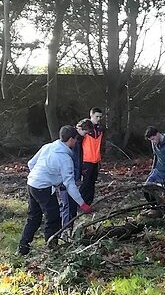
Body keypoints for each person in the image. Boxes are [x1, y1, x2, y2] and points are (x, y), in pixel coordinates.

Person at [18, 126, 93, 255]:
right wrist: (82, 204)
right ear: (70, 140)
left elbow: (31, 163)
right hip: (42, 188)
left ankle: (22, 249)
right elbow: (70, 184)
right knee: (53, 219)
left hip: (31, 184)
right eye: (75, 140)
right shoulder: (65, 159)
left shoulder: (48, 147)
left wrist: (42, 176)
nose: (76, 142)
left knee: (33, 218)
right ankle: (52, 249)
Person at [57, 118, 93, 230]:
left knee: (72, 206)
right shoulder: (71, 141)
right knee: (67, 206)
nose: (85, 136)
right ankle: (65, 230)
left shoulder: (79, 140)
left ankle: (70, 228)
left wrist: (81, 169)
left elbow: (78, 159)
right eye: (85, 133)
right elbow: (71, 160)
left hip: (73, 175)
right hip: (66, 177)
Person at [80, 107, 104, 205]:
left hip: (96, 160)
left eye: (100, 117)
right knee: (86, 183)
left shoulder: (100, 129)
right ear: (91, 115)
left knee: (92, 182)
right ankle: (80, 203)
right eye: (96, 116)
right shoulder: (85, 127)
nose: (98, 119)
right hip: (86, 160)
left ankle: (89, 203)